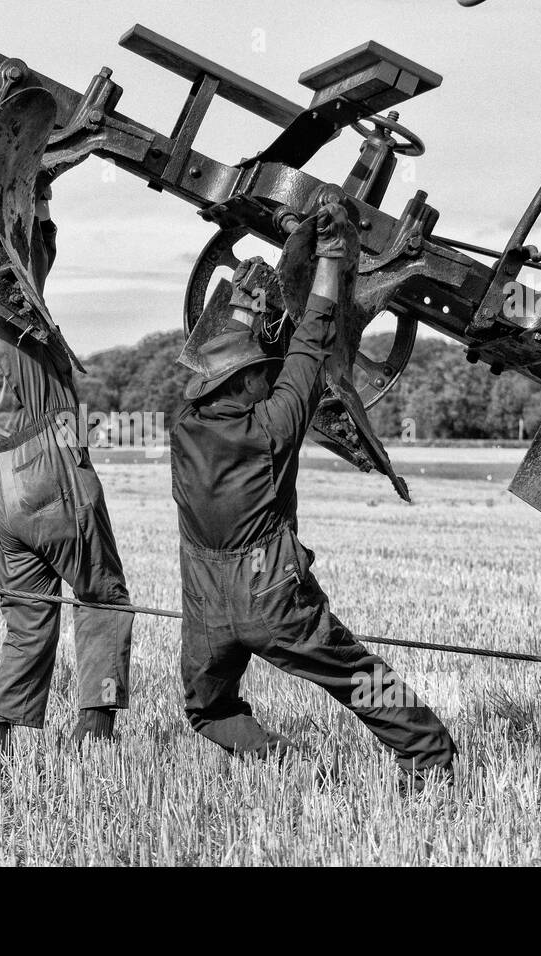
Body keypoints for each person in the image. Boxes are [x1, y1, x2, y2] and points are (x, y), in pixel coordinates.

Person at [168, 201, 457, 791]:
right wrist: (331, 257)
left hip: (204, 608)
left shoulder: (182, 428)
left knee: (208, 708)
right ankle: (429, 757)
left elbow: (221, 368)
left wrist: (246, 309)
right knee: (357, 677)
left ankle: (284, 764)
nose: (268, 375)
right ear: (248, 381)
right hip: (271, 599)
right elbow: (311, 344)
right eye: (260, 371)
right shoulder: (272, 427)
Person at [0, 176, 133, 759]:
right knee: (103, 595)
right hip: (52, 474)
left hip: (6, 494)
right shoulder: (11, 328)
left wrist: (26, 195)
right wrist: (38, 195)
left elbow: (31, 259)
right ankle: (95, 730)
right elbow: (34, 257)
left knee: (29, 615)